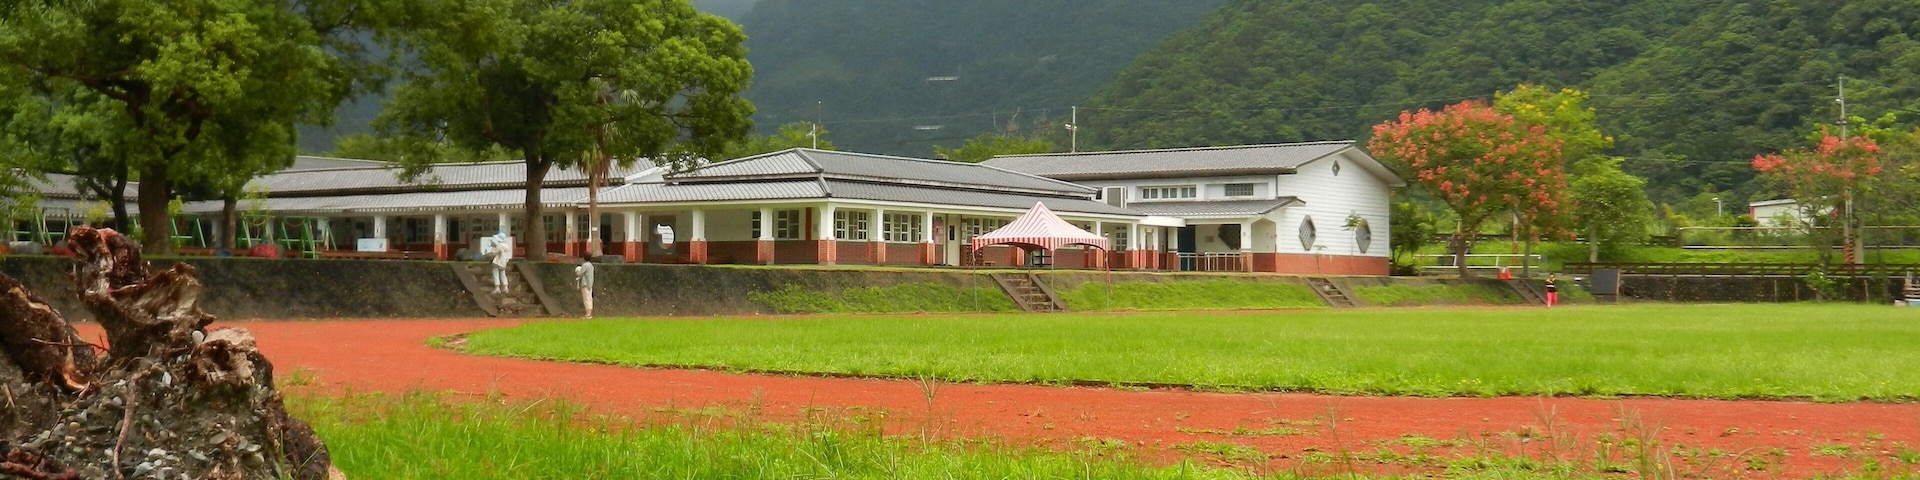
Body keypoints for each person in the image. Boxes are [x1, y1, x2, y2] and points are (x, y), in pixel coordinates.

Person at [485, 229, 513, 294]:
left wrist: (488, 254)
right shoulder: (506, 245)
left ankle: (497, 288)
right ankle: (505, 287)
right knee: (503, 274)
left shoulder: (499, 245)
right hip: (504, 261)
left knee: (496, 273)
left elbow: (494, 253)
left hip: (497, 261)